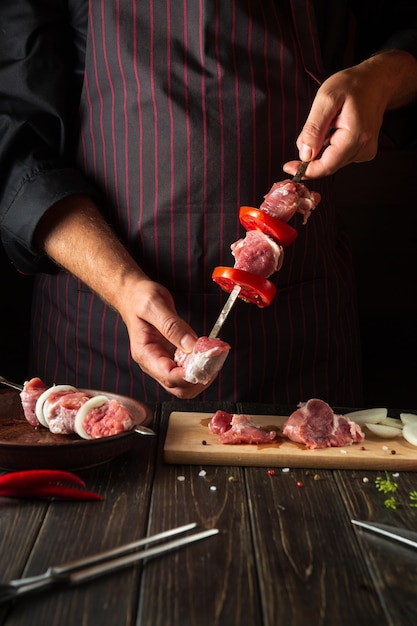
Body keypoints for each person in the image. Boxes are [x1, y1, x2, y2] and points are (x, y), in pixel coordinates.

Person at [0, 1, 416, 406]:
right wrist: (121, 286)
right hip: (100, 333)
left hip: (299, 332)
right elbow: (20, 149)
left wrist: (380, 77)